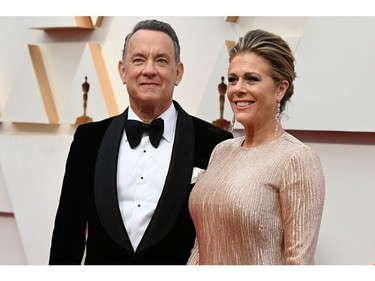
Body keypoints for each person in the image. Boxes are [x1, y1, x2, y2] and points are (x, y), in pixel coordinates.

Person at [49, 19, 233, 265]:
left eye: (161, 60)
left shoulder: (215, 143)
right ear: (123, 71)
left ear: (178, 73)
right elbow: (67, 235)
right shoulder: (88, 139)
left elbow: (221, 240)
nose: (149, 70)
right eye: (138, 60)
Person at [187, 29, 325, 265]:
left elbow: (299, 264)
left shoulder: (297, 159)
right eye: (233, 79)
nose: (238, 88)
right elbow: (202, 245)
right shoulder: (221, 151)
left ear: (281, 88)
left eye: (251, 78)